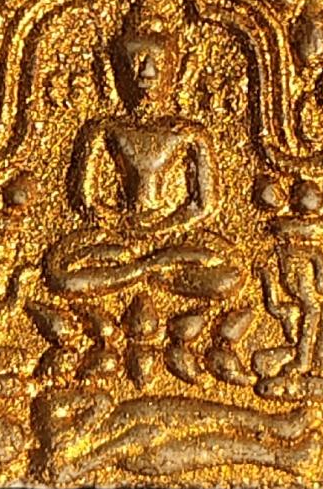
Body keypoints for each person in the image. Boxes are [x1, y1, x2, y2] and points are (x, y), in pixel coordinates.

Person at [44, 26, 242, 299]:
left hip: (172, 236)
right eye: (135, 62)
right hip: (116, 236)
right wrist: (124, 224)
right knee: (59, 276)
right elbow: (86, 200)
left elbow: (203, 206)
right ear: (117, 72)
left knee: (232, 274)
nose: (147, 72)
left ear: (174, 70)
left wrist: (161, 228)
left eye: (157, 62)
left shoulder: (191, 134)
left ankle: (138, 270)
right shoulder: (104, 129)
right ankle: (149, 269)